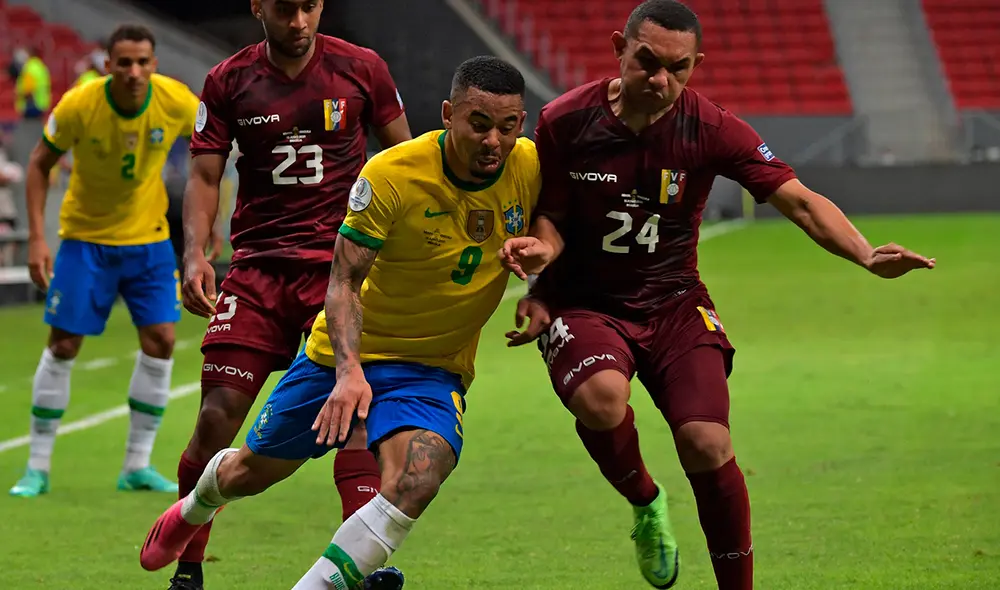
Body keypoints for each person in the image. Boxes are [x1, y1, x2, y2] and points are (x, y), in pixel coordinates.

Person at [499, 2, 936, 589]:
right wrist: (543, 259)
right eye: (647, 62)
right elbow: (550, 213)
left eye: (678, 68)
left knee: (706, 442)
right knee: (601, 399)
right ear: (618, 49)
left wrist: (863, 253)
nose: (660, 80)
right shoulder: (563, 121)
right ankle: (646, 502)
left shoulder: (711, 128)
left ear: (696, 65)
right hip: (585, 301)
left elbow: (799, 199)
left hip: (675, 301)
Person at [140, 55, 539, 590]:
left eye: (509, 126)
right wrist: (350, 370)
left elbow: (563, 231)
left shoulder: (531, 165)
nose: (494, 140)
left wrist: (545, 281)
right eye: (480, 124)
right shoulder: (392, 174)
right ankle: (200, 502)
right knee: (250, 473)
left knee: (417, 479)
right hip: (342, 355)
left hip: (432, 368)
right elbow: (344, 281)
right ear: (448, 114)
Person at [171, 0, 411, 587]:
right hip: (256, 272)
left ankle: (361, 570)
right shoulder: (229, 80)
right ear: (258, 7)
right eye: (284, 8)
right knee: (217, 416)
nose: (298, 22)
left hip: (339, 272)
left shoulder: (363, 69)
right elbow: (205, 174)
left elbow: (406, 161)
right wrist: (196, 253)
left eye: (308, 7)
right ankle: (189, 564)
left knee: (356, 412)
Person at [9, 24, 200, 498]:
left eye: (143, 62)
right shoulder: (79, 104)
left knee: (161, 340)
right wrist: (37, 238)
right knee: (65, 344)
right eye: (124, 63)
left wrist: (205, 229)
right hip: (85, 240)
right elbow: (38, 164)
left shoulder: (176, 101)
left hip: (150, 240)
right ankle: (37, 467)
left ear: (154, 64)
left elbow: (209, 156)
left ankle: (136, 464)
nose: (134, 72)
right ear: (107, 64)